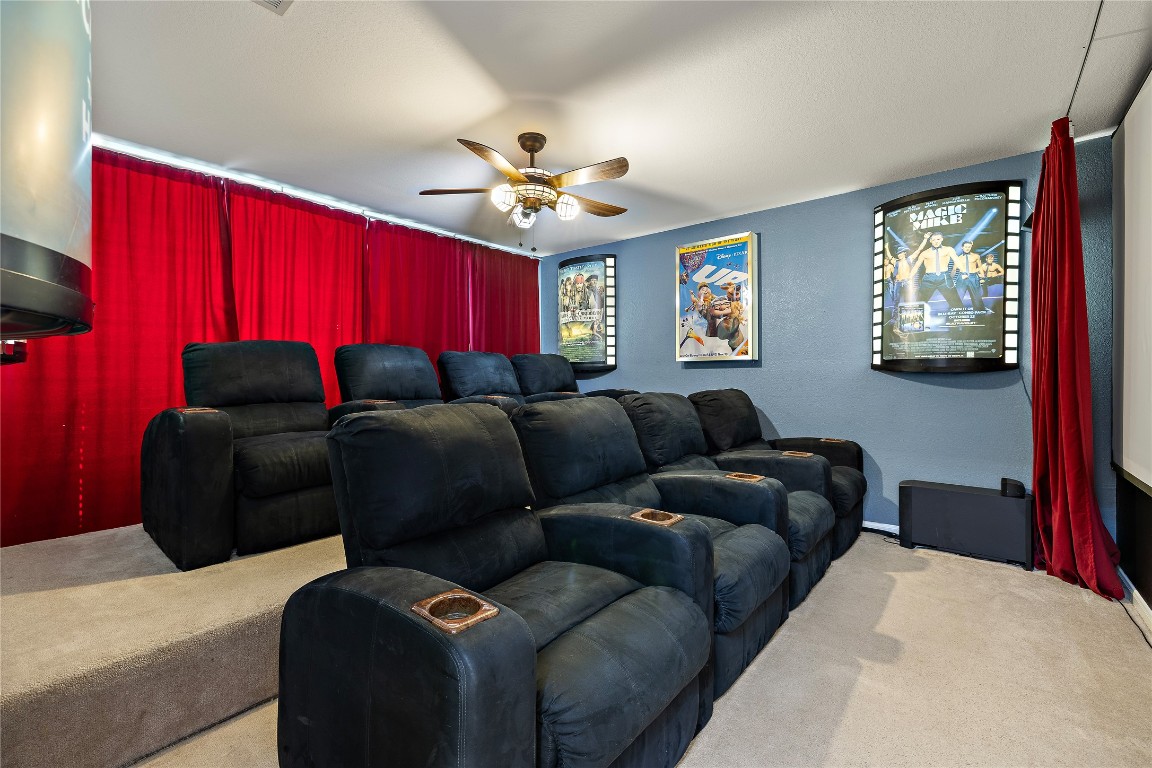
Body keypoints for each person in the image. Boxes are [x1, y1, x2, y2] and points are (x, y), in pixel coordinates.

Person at [908, 232, 963, 308]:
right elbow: (916, 266)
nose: (936, 241)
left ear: (942, 239)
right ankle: (916, 318)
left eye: (938, 239)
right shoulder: (925, 253)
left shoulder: (948, 249)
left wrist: (964, 272)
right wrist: (909, 277)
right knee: (919, 303)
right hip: (928, 278)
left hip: (945, 278)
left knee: (956, 303)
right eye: (933, 240)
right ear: (930, 241)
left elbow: (957, 260)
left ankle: (959, 318)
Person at [954, 241, 990, 312]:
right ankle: (955, 312)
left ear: (971, 247)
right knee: (958, 296)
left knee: (977, 296)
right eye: (966, 247)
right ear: (962, 247)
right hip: (962, 277)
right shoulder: (958, 258)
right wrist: (950, 280)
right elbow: (954, 269)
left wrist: (982, 277)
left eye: (969, 247)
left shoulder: (976, 256)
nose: (967, 248)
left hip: (973, 277)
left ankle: (980, 312)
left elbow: (980, 267)